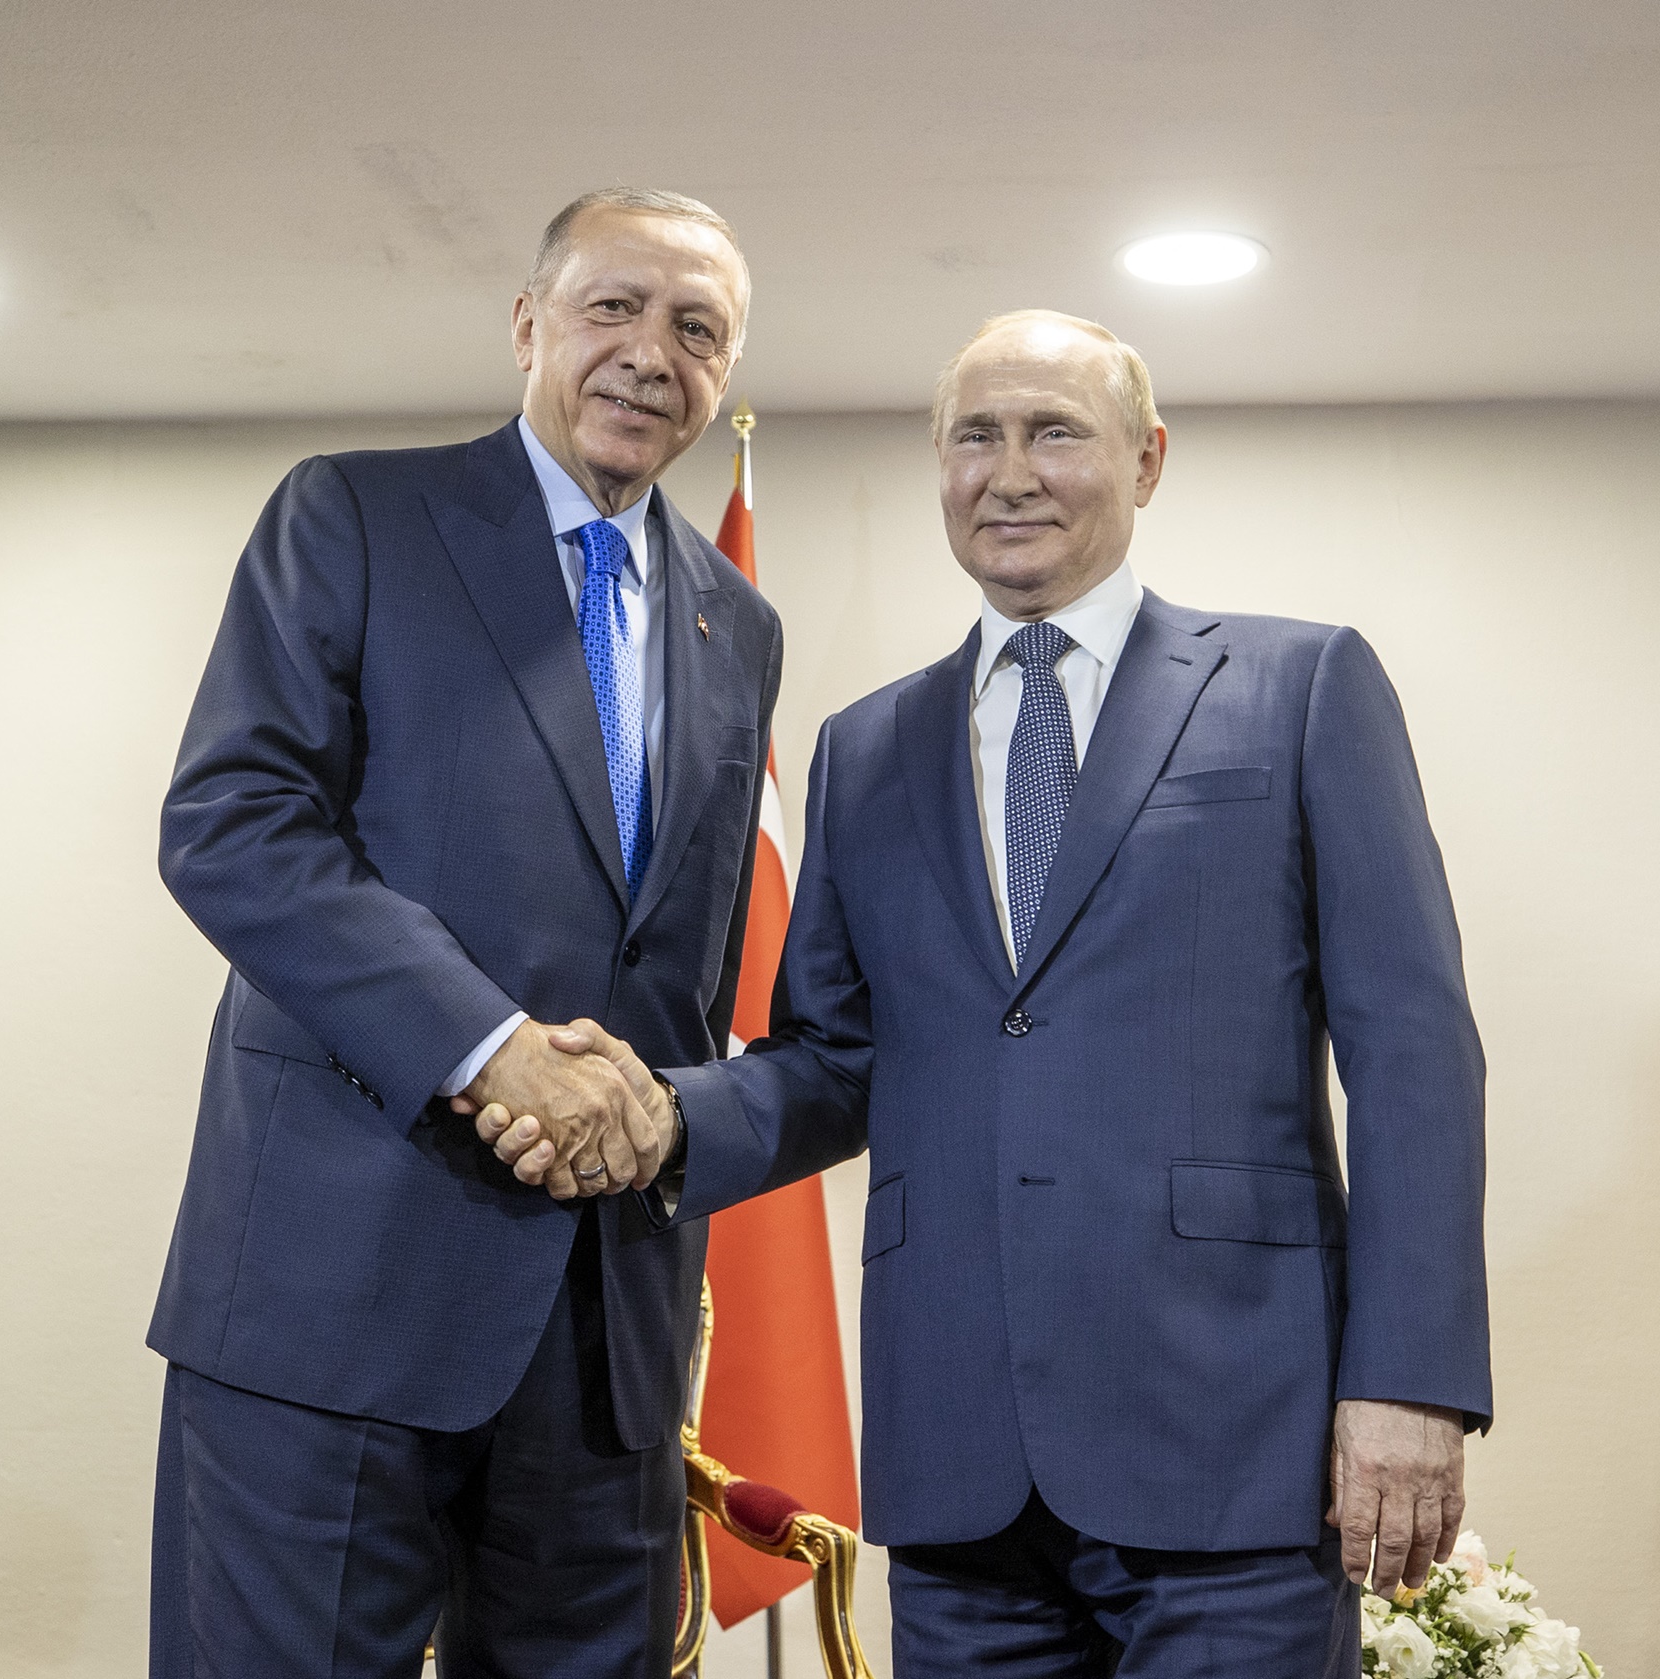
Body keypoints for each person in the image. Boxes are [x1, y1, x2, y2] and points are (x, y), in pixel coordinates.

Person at [486, 310, 1490, 1677]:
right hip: (960, 1466)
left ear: (1146, 462)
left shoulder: (1301, 687)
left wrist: (1410, 1381)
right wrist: (662, 1119)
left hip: (1233, 1442)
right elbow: (835, 1058)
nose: (1008, 471)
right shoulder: (865, 748)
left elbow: (1416, 1052)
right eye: (974, 436)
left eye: (1053, 432)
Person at [149, 186, 776, 1678]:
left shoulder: (734, 624)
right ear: (526, 326)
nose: (648, 353)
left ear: (725, 374)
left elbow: (682, 974)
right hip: (334, 1295)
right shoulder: (354, 513)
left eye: (696, 329)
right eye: (610, 308)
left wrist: (651, 1120)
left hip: (603, 1339)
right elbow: (233, 822)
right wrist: (493, 1053)